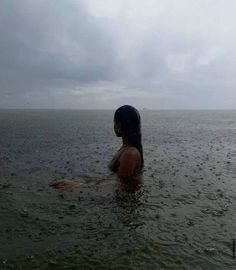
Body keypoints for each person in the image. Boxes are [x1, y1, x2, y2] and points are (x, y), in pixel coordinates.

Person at [50, 105, 144, 190]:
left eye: (114, 122)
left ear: (119, 125)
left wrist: (77, 185)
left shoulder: (129, 154)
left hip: (124, 206)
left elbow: (121, 184)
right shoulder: (127, 149)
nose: (114, 125)